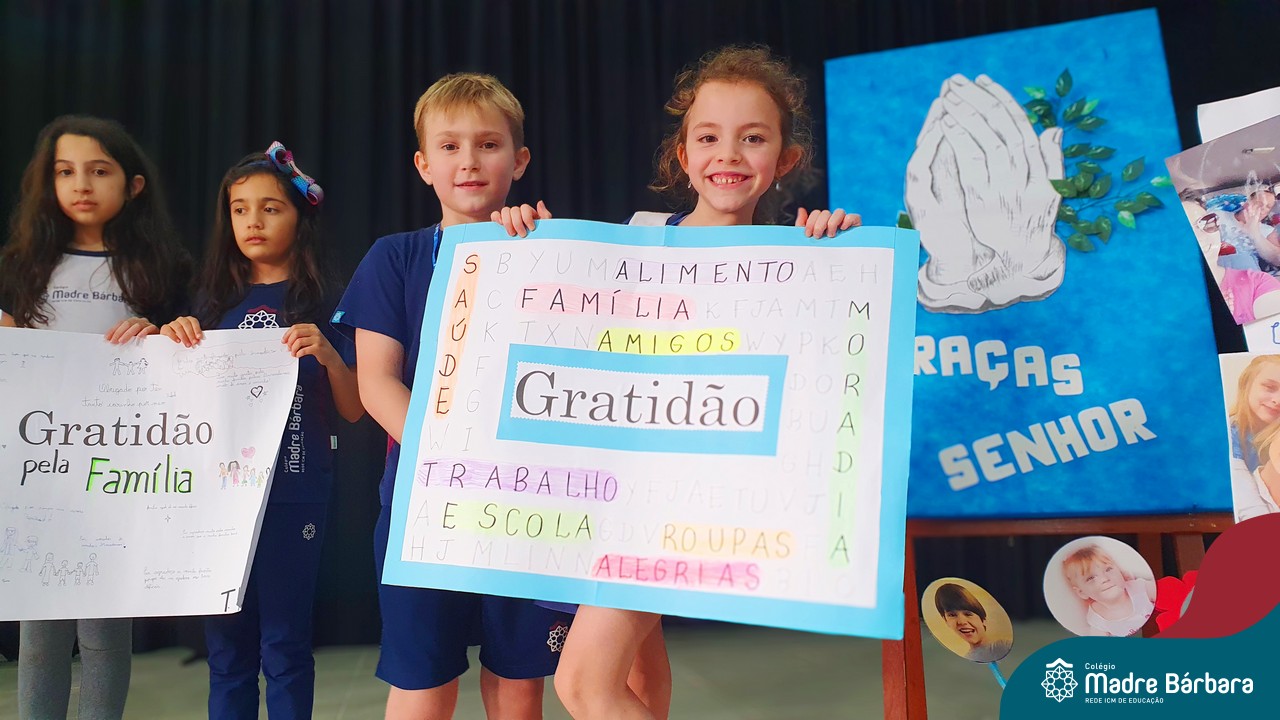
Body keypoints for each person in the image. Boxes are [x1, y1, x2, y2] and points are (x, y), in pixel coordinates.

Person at [494, 45, 860, 720]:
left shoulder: (800, 258)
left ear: (786, 159)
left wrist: (840, 255)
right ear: (683, 154)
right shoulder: (634, 240)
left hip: (692, 505)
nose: (729, 154)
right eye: (709, 137)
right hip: (615, 494)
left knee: (584, 684)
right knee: (638, 679)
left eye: (754, 138)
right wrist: (523, 242)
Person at [335, 72, 568, 720]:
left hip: (527, 502)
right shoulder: (395, 258)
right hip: (423, 504)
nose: (469, 160)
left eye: (488, 144)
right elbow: (376, 381)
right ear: (423, 165)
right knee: (422, 680)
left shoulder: (549, 248)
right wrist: (450, 457)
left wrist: (551, 255)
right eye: (449, 146)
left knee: (518, 682)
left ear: (519, 160)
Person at [158, 143, 362, 718]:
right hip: (216, 500)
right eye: (239, 208)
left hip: (295, 494)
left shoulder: (328, 301)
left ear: (299, 217)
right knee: (226, 653)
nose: (253, 220)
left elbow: (353, 411)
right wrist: (170, 342)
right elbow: (176, 403)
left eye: (270, 208)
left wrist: (329, 355)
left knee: (285, 646)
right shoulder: (208, 301)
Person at [0, 114, 191, 720]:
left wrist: (160, 335)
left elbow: (183, 355)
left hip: (116, 470)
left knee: (106, 630)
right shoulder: (22, 265)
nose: (81, 184)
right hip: (39, 470)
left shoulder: (160, 268)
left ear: (133, 185)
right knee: (41, 632)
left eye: (98, 170)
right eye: (65, 171)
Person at [1061, 544, 1155, 637]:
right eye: (1091, 578)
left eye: (1108, 569)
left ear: (1120, 571)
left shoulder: (1141, 588)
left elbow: (1163, 592)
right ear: (1082, 592)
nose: (1104, 579)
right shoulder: (1097, 620)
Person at [1227, 355, 1280, 521]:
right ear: (1246, 384)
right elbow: (1247, 503)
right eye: (1269, 387)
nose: (1277, 400)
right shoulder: (1229, 434)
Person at [932, 583, 1012, 663]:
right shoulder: (967, 659)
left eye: (968, 614)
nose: (961, 622)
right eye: (952, 615)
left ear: (983, 620)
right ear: (945, 620)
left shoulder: (1004, 646)